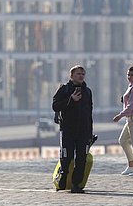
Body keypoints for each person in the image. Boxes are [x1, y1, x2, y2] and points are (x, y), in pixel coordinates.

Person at [52, 65, 93, 193]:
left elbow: (89, 113)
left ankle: (76, 185)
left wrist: (90, 133)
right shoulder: (64, 89)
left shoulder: (87, 91)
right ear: (71, 76)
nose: (81, 76)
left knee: (81, 159)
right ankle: (62, 180)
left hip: (83, 131)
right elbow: (55, 106)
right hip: (68, 130)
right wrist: (71, 99)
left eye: (82, 74)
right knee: (66, 157)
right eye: (78, 74)